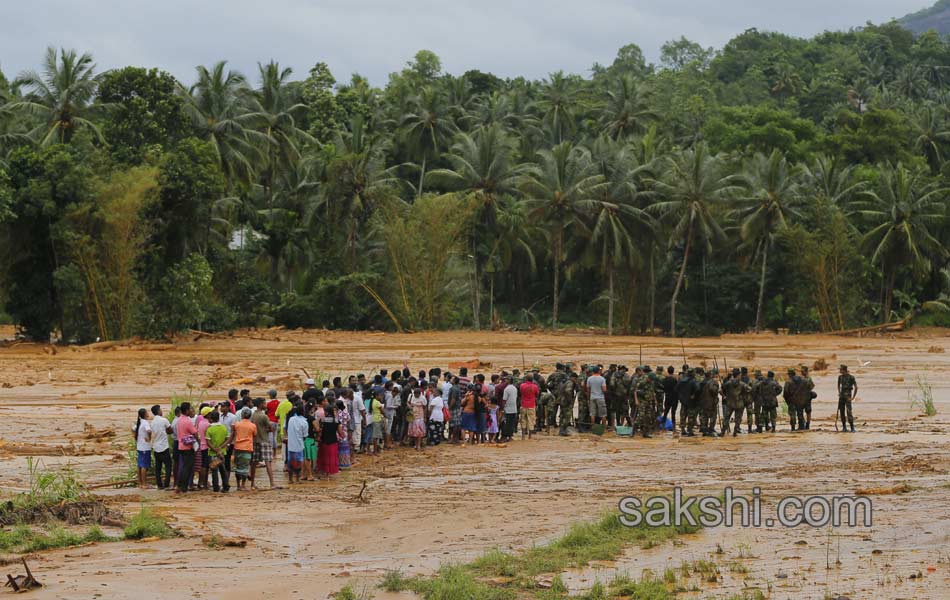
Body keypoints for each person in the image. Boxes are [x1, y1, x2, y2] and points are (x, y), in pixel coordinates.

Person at [250, 398, 275, 489]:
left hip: (255, 440)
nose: (266, 405)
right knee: (268, 462)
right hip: (264, 440)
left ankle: (252, 483)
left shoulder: (253, 416)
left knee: (254, 462)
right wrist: (268, 429)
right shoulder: (264, 416)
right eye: (264, 403)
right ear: (261, 404)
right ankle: (272, 483)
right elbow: (271, 428)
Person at [230, 408, 257, 490]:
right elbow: (255, 435)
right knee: (245, 467)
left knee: (238, 467)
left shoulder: (237, 424)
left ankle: (238, 485)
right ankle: (243, 485)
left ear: (241, 415)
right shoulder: (253, 425)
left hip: (237, 447)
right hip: (247, 448)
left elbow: (233, 433)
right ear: (250, 416)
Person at [205, 410, 230, 493]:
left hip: (212, 453)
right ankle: (226, 486)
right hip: (222, 452)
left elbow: (207, 442)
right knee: (223, 470)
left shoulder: (209, 429)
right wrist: (221, 447)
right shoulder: (223, 427)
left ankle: (216, 487)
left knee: (214, 470)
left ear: (211, 419)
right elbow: (227, 439)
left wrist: (214, 449)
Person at [175, 403, 197, 494]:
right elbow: (195, 433)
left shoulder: (179, 419)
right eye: (190, 409)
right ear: (187, 410)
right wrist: (198, 443)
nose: (191, 410)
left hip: (181, 446)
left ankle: (180, 485)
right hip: (188, 447)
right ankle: (183, 487)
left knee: (184, 466)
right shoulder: (188, 421)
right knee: (187, 467)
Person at [149, 405, 172, 489]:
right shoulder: (164, 420)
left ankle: (159, 484)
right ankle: (166, 483)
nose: (162, 411)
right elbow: (170, 430)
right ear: (159, 411)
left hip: (156, 447)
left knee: (158, 467)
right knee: (168, 466)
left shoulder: (152, 423)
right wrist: (166, 431)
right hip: (164, 446)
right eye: (161, 410)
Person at [316, 404, 341, 479]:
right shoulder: (336, 420)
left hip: (324, 441)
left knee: (324, 457)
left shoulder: (322, 420)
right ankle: (330, 473)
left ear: (327, 412)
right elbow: (340, 432)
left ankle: (324, 472)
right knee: (332, 457)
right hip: (333, 441)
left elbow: (319, 431)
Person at [285, 405, 308, 483]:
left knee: (290, 461)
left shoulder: (291, 419)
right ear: (303, 412)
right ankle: (297, 479)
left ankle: (290, 479)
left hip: (290, 445)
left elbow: (287, 430)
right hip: (299, 445)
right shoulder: (304, 422)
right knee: (299, 462)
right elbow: (305, 436)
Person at [133, 408, 152, 489]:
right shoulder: (145, 422)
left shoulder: (139, 422)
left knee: (140, 465)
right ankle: (144, 484)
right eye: (147, 412)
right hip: (145, 447)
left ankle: (140, 482)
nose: (148, 414)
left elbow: (133, 429)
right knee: (144, 466)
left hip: (139, 446)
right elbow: (149, 431)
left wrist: (135, 437)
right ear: (144, 414)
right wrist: (149, 438)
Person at [837, 365, 857, 432]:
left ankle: (852, 428)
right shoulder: (840, 377)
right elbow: (838, 385)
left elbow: (856, 387)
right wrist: (839, 393)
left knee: (849, 412)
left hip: (848, 396)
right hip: (842, 397)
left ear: (844, 370)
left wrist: (853, 397)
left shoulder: (851, 377)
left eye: (840, 369)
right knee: (842, 412)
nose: (839, 371)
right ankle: (844, 427)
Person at [557, 371, 578, 436]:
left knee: (563, 415)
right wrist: (570, 400)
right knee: (567, 416)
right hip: (566, 402)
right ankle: (563, 430)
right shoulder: (570, 383)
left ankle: (562, 430)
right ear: (573, 378)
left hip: (562, 401)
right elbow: (567, 391)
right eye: (575, 379)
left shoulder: (567, 382)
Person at [518, 375, 539, 440]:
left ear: (526, 379)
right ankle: (530, 436)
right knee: (531, 421)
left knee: (523, 420)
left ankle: (523, 436)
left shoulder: (522, 385)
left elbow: (520, 393)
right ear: (532, 380)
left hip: (523, 404)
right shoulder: (535, 386)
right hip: (531, 405)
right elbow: (537, 394)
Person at [408, 386, 427, 450]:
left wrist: (424, 416)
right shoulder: (412, 396)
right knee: (414, 432)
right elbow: (408, 403)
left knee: (419, 431)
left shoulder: (423, 398)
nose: (416, 395)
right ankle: (416, 444)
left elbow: (425, 407)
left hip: (420, 416)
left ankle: (418, 445)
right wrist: (410, 407)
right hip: (413, 416)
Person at [501, 376, 519, 441]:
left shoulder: (506, 389)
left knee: (506, 424)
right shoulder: (515, 388)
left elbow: (504, 400)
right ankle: (510, 436)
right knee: (511, 424)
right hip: (514, 409)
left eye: (506, 380)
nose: (505, 381)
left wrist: (503, 408)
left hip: (508, 409)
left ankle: (505, 437)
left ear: (508, 381)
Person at [661, 366, 678, 431]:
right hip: (674, 398)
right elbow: (677, 388)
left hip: (667, 397)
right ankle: (673, 427)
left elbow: (663, 387)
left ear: (668, 371)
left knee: (665, 412)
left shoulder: (665, 379)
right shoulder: (675, 380)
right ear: (673, 371)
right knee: (673, 413)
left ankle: (662, 425)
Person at [800, 365, 815, 430]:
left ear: (806, 371)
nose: (801, 372)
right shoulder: (804, 378)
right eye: (801, 371)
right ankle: (805, 424)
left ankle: (807, 424)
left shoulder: (808, 378)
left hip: (806, 397)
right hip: (803, 397)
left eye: (802, 371)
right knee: (803, 411)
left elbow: (812, 386)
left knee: (807, 411)